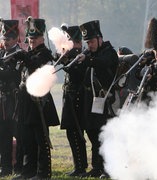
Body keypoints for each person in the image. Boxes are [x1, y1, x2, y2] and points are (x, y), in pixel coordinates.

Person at [12, 16, 60, 180]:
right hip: (26, 101)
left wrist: (23, 57)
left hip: (39, 102)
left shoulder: (45, 54)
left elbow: (34, 64)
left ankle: (43, 173)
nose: (31, 41)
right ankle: (28, 171)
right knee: (27, 139)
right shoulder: (30, 53)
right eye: (30, 38)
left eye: (35, 38)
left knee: (41, 140)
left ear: (41, 38)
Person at [77, 20, 118, 178]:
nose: (90, 45)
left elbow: (102, 64)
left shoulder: (109, 52)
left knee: (105, 135)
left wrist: (87, 59)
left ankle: (108, 169)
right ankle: (96, 167)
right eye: (87, 42)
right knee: (93, 133)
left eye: (92, 41)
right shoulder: (89, 53)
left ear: (100, 39)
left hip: (105, 98)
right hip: (90, 99)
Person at [59, 24, 88, 176]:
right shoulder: (71, 54)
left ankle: (81, 167)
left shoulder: (79, 54)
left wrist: (66, 64)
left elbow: (77, 75)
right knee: (72, 133)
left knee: (76, 132)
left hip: (77, 98)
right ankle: (79, 165)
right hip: (70, 96)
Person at [0, 19, 23, 177]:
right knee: (3, 135)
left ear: (15, 39)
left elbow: (13, 75)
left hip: (15, 101)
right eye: (3, 38)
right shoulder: (2, 53)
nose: (5, 41)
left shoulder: (20, 54)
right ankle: (5, 167)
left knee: (18, 134)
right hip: (2, 101)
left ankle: (20, 167)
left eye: (8, 38)